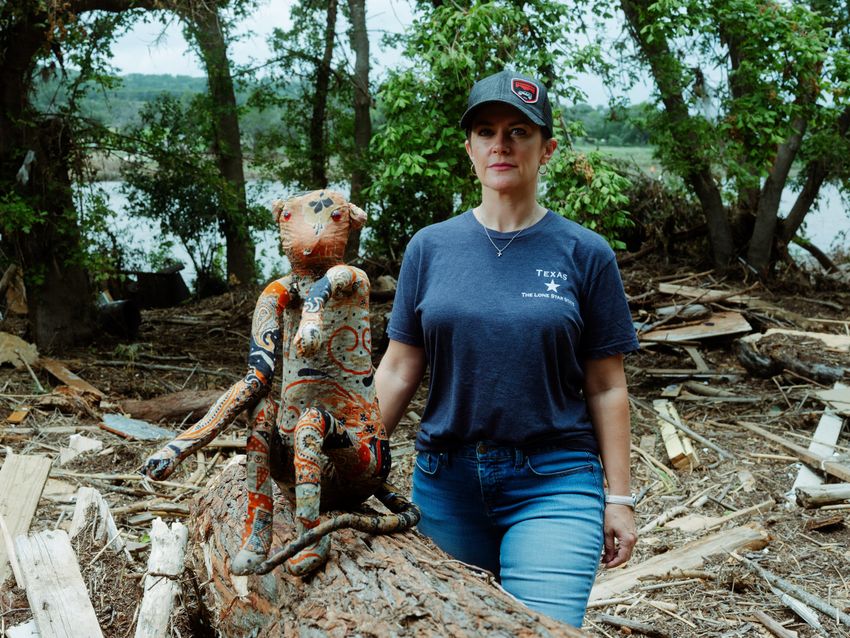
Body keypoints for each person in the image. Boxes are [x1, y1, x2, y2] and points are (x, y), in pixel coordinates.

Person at [374, 69, 639, 627]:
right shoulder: (430, 248)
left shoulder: (585, 253)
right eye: (487, 131)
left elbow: (607, 385)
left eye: (519, 131)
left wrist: (621, 498)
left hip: (555, 481)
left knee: (540, 628)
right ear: (469, 148)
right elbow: (399, 369)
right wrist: (353, 456)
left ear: (546, 149)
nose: (501, 143)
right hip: (445, 485)